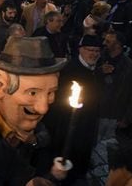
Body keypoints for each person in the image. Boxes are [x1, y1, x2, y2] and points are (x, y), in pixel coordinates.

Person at [0, 36, 68, 185]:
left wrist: (51, 175)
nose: (43, 108)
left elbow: (45, 139)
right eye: (32, 93)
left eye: (50, 93)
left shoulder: (37, 123)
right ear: (0, 85)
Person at [44, 34, 104, 185]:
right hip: (67, 127)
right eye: (90, 49)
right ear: (80, 50)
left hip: (86, 125)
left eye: (97, 51)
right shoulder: (70, 71)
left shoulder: (96, 69)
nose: (94, 54)